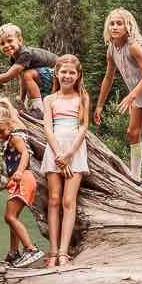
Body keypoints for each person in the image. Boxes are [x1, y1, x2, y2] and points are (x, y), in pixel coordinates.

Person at [94, 7, 142, 195]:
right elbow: (108, 78)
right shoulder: (111, 49)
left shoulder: (134, 46)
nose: (115, 27)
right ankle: (135, 179)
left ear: (128, 26)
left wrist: (131, 96)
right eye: (112, 23)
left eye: (119, 23)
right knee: (132, 132)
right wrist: (99, 105)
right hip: (138, 93)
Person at [41, 54, 89, 268]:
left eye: (72, 72)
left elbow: (84, 127)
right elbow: (47, 128)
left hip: (74, 150)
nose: (67, 76)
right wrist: (58, 154)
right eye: (63, 72)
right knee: (53, 200)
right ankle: (52, 251)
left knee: (69, 202)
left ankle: (63, 252)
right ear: (57, 73)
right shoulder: (49, 99)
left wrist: (69, 154)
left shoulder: (82, 98)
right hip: (54, 150)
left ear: (78, 75)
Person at [0, 97, 44, 268]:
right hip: (19, 180)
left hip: (24, 178)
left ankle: (31, 249)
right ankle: (13, 253)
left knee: (9, 217)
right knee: (13, 217)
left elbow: (25, 154)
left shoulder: (15, 137)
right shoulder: (18, 129)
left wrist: (18, 172)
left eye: (1, 131)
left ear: (9, 124)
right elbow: (15, 116)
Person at [0, 24, 57, 114]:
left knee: (27, 74)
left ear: (20, 40)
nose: (6, 45)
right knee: (25, 76)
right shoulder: (13, 58)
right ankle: (31, 106)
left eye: (10, 41)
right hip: (46, 78)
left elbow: (8, 76)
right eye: (2, 43)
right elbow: (22, 79)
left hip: (57, 75)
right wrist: (21, 100)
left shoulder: (25, 54)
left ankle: (38, 109)